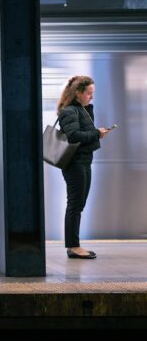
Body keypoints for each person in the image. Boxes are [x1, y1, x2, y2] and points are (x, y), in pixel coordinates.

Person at [57, 75, 110, 260]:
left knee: (78, 204)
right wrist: (97, 133)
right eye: (89, 93)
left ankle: (74, 245)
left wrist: (96, 131)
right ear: (78, 93)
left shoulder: (82, 109)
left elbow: (83, 132)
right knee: (75, 204)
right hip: (75, 163)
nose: (91, 97)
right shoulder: (69, 111)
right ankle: (73, 246)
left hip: (84, 161)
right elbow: (73, 136)